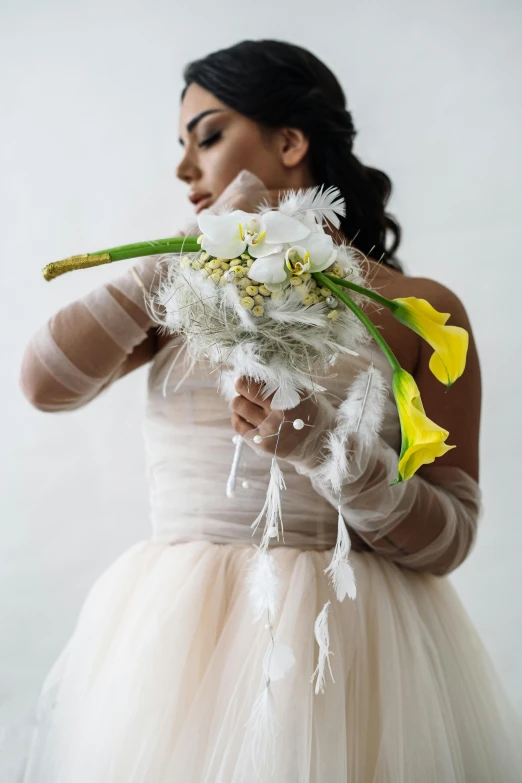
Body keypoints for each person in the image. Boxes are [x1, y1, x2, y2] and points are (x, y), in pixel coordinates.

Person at [16, 39, 522, 782]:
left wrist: (328, 449)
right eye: (181, 145)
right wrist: (190, 247)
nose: (185, 169)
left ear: (290, 141)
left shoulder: (419, 312)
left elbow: (451, 537)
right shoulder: (178, 295)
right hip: (177, 656)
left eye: (209, 135)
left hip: (358, 655)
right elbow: (41, 383)